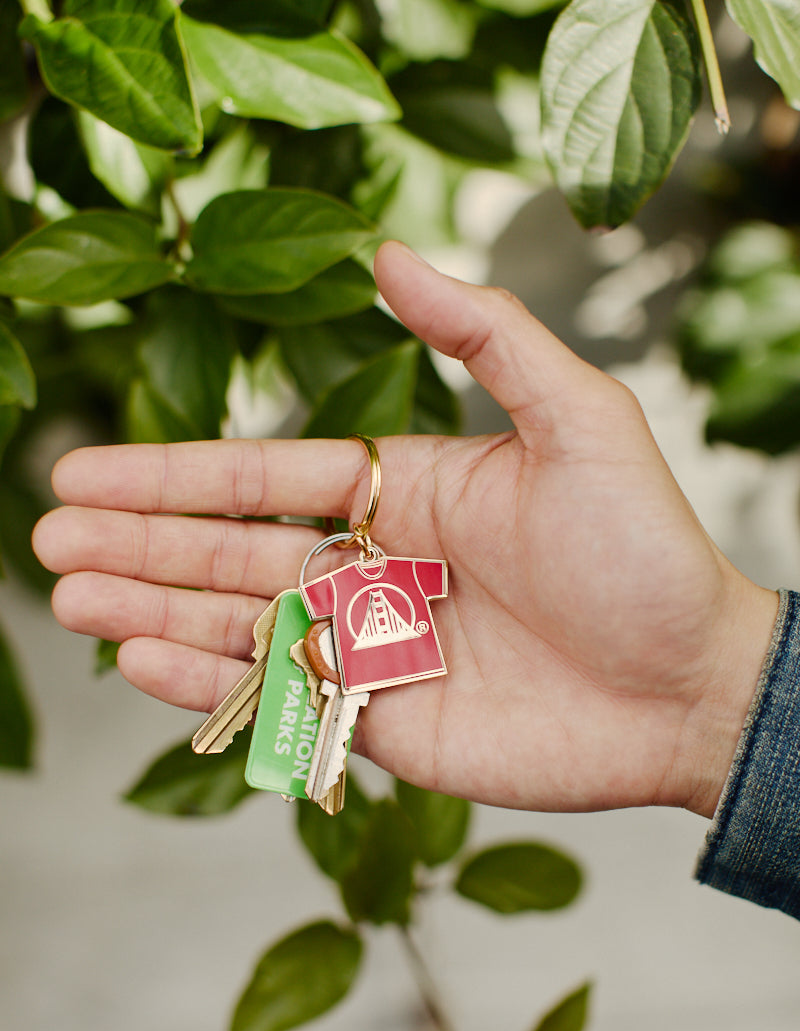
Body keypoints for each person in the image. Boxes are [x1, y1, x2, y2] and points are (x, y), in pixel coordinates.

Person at [31, 241, 800, 918]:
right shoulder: (358, 593)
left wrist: (721, 693)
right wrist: (724, 698)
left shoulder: (391, 586)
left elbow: (428, 584)